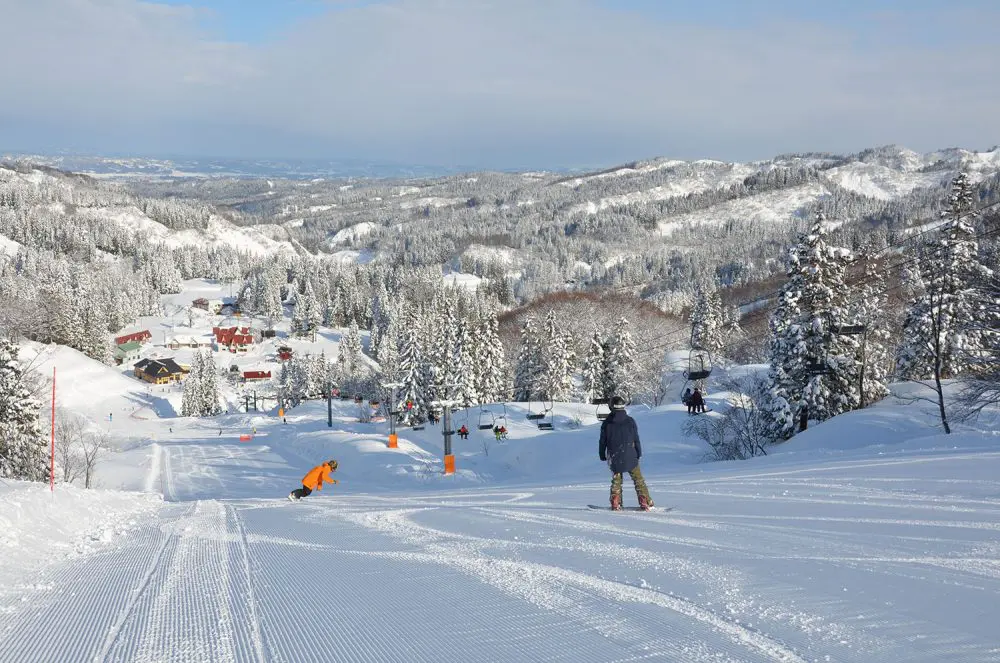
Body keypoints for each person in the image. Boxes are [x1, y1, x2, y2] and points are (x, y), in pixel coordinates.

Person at [598, 396, 654, 511]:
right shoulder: (630, 421)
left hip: (614, 455)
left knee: (616, 480)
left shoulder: (607, 423)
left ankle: (616, 501)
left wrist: (602, 454)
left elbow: (602, 441)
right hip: (630, 454)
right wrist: (638, 452)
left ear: (611, 407)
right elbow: (636, 438)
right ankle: (644, 500)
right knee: (638, 479)